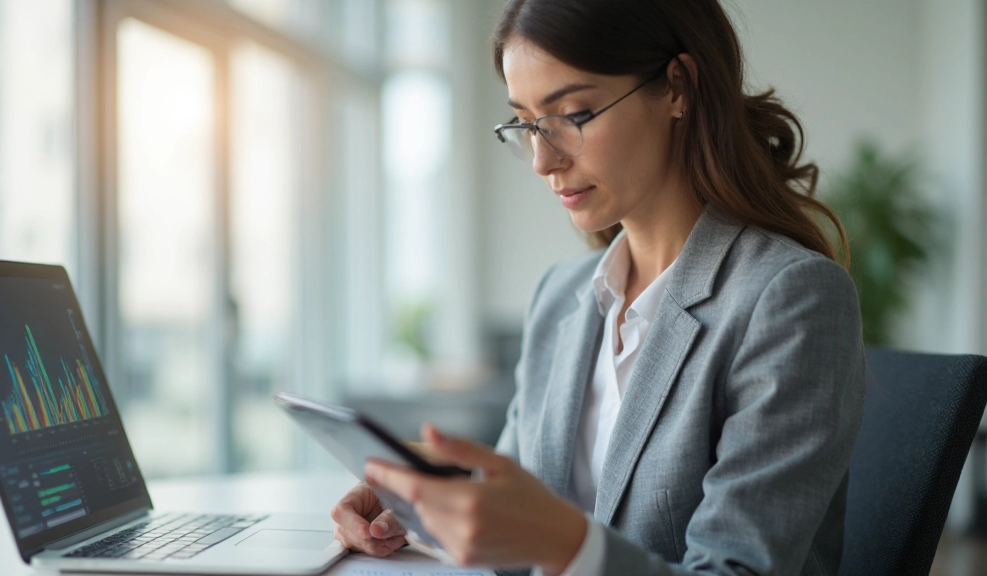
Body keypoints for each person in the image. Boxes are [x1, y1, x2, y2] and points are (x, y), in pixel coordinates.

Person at [331, 0, 865, 574]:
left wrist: (563, 546)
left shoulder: (789, 298)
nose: (542, 159)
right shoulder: (560, 297)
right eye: (528, 122)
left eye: (575, 114)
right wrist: (420, 497)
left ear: (678, 87)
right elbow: (523, 495)